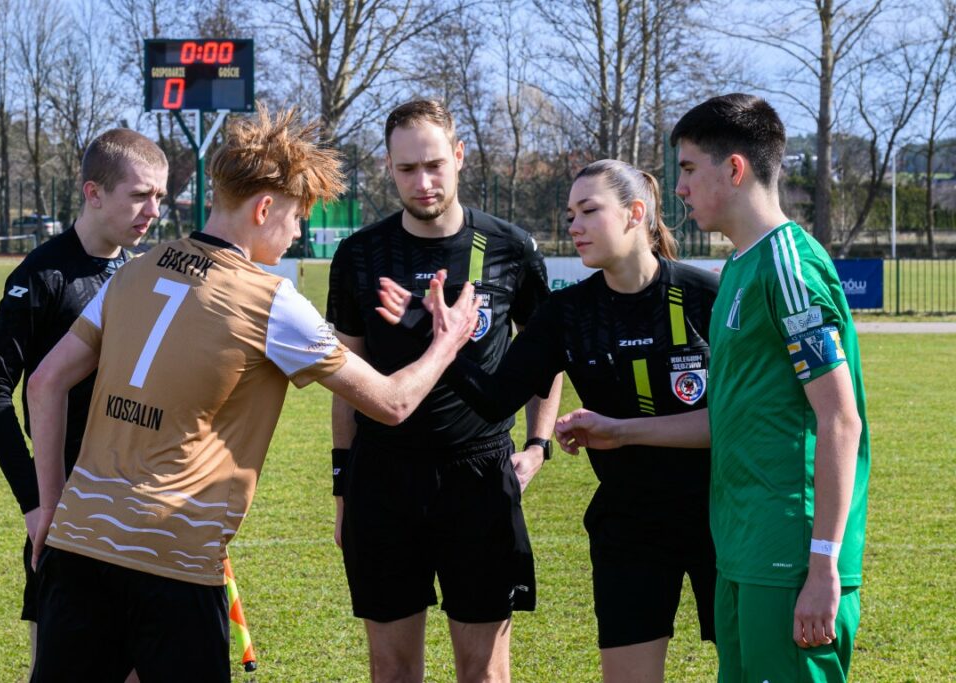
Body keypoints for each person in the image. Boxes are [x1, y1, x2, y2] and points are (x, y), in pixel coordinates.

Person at [25, 106, 480, 682]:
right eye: (295, 218)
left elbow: (44, 384)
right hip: (176, 562)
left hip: (77, 545)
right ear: (264, 208)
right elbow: (390, 403)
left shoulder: (132, 272)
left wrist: (50, 507)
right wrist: (446, 341)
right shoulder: (270, 299)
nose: (296, 234)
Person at [559, 94, 870, 683]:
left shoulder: (788, 270)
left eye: (688, 168)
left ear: (734, 169)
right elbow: (728, 415)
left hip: (788, 552)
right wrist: (619, 431)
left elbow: (840, 420)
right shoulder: (739, 271)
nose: (677, 188)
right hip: (740, 546)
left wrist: (823, 564)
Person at [378, 159, 720, 683]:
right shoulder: (567, 313)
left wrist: (620, 430)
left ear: (635, 214)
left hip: (722, 518)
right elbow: (496, 400)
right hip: (628, 528)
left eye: (588, 212)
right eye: (569, 215)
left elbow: (743, 419)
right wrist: (436, 335)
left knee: (749, 667)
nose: (573, 226)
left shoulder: (705, 296)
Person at [325, 99, 562, 683]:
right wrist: (342, 487)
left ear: (458, 157)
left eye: (434, 164)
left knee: (483, 673)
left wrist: (538, 444)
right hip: (381, 477)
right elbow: (346, 381)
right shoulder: (359, 255)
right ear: (388, 167)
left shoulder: (511, 248)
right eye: (407, 169)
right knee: (392, 670)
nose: (423, 182)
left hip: (478, 477)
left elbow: (544, 355)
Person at [0, 128, 168, 672]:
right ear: (93, 192)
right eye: (139, 195)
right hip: (67, 515)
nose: (152, 210)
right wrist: (36, 503)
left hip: (139, 507)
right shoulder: (41, 275)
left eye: (159, 196)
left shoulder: (144, 273)